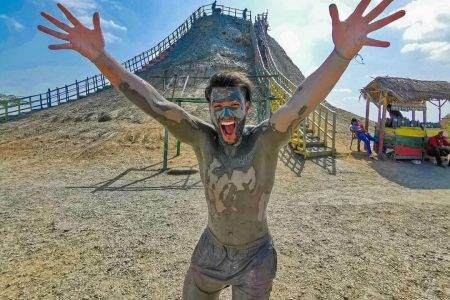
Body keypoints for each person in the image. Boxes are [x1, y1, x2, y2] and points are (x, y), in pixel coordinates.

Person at [37, 1, 405, 298]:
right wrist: (101, 57)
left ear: (248, 108)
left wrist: (340, 54)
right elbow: (153, 102)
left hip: (255, 256)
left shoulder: (266, 139)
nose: (225, 114)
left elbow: (300, 101)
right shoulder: (203, 139)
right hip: (210, 250)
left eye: (233, 106)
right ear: (210, 110)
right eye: (217, 107)